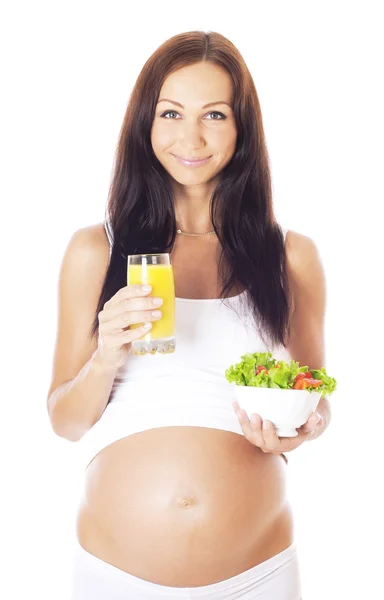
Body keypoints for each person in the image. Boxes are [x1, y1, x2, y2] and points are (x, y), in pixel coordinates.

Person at [47, 30, 331, 600]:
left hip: (260, 573)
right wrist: (106, 354)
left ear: (242, 127)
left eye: (215, 115)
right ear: (145, 125)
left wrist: (302, 428)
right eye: (171, 113)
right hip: (116, 575)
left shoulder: (290, 256)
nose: (191, 137)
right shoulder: (96, 251)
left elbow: (311, 395)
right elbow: (64, 421)